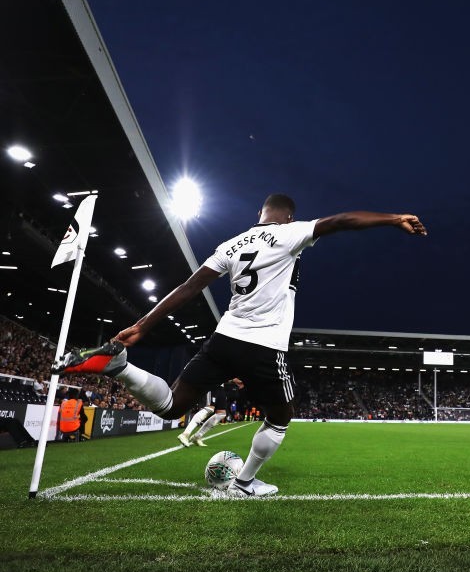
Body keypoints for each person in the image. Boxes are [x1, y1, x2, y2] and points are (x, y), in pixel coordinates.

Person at [55, 194, 427, 496]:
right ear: (288, 217)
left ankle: (121, 366)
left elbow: (188, 287)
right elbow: (342, 221)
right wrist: (394, 218)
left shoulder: (231, 244)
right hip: (264, 344)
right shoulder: (290, 233)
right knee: (280, 416)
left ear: (259, 215)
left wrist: (141, 326)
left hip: (224, 339)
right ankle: (245, 482)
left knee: (171, 406)